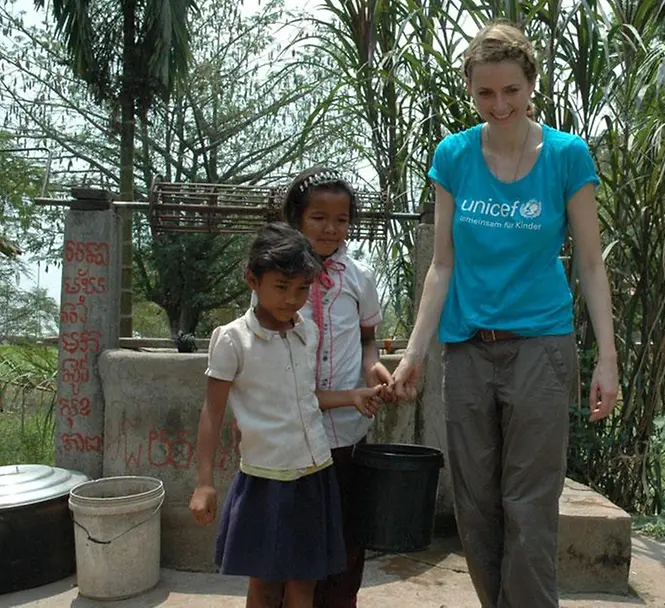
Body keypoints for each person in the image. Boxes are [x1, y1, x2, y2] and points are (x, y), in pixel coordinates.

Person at [391, 21, 620, 608]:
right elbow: (442, 265)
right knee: (476, 505)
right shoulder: (454, 156)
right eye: (486, 94)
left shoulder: (567, 156)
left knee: (530, 505)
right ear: (471, 91)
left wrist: (608, 362)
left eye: (511, 91)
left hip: (542, 349)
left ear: (531, 84)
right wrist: (416, 352)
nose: (499, 105)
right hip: (467, 349)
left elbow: (591, 264)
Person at [189, 222, 382, 607]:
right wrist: (204, 482)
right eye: (280, 287)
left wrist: (352, 396)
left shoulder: (305, 331)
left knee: (304, 584)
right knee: (264, 585)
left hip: (315, 476)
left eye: (300, 289)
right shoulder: (231, 339)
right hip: (265, 481)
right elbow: (212, 412)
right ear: (252, 280)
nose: (291, 299)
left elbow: (304, 399)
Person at [265, 166, 394, 607]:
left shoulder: (359, 276)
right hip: (290, 436)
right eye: (318, 217)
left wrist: (374, 368)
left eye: (341, 220)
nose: (330, 228)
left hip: (346, 437)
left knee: (345, 537)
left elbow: (367, 338)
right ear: (297, 219)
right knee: (293, 541)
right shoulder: (275, 278)